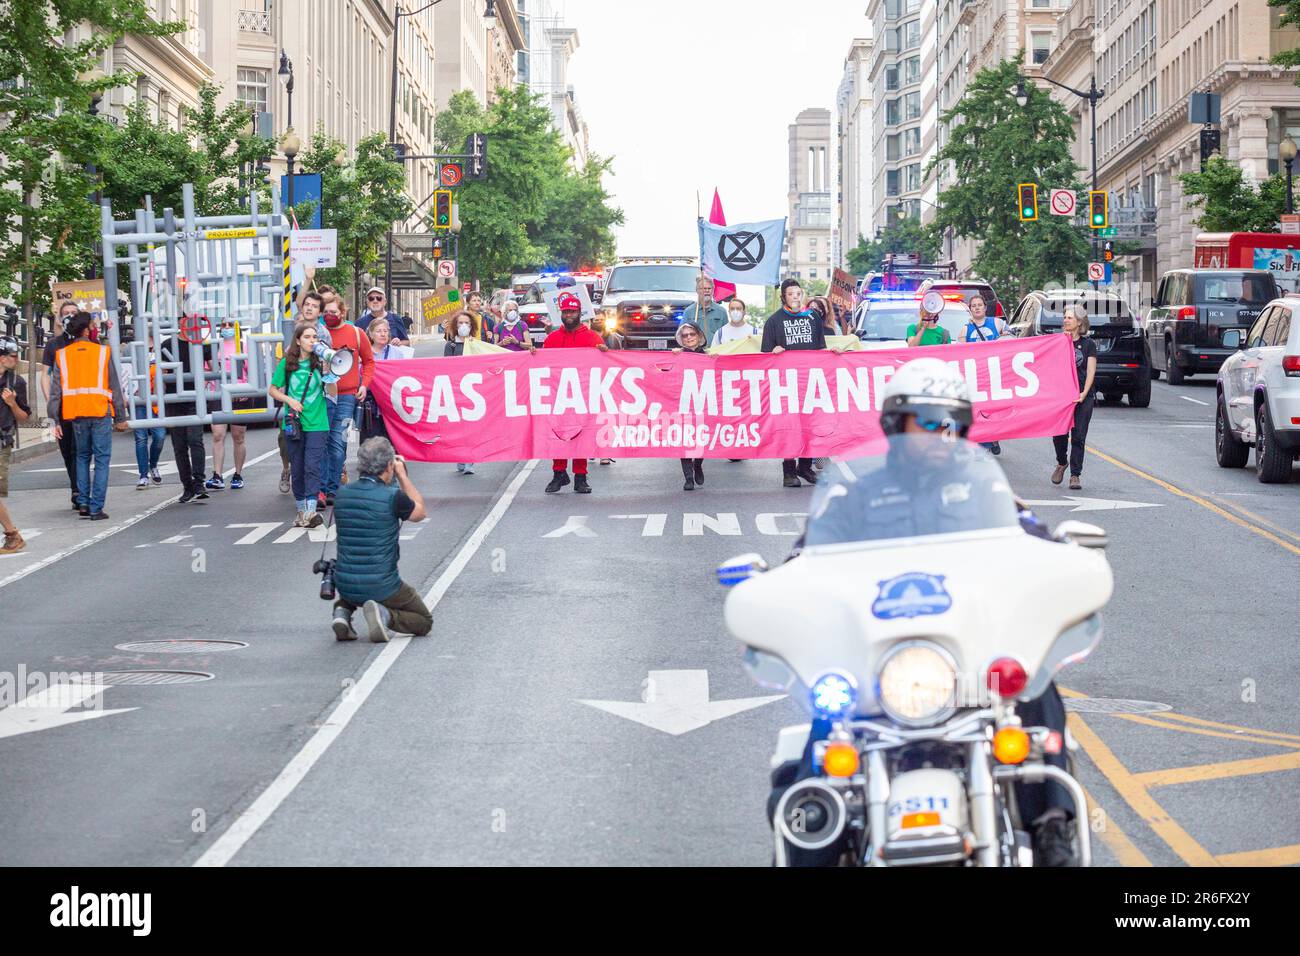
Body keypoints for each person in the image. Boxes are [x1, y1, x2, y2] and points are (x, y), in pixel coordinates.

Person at [775, 357, 1078, 867]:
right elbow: (803, 561)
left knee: (1033, 683)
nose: (941, 434)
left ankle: (1052, 828)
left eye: (952, 424)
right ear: (896, 424)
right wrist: (780, 585)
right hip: (875, 666)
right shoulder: (854, 495)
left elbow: (1035, 540)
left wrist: (1062, 560)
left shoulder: (989, 490)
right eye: (928, 422)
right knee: (816, 747)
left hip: (968, 662)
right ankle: (809, 842)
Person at [330, 437, 432, 642]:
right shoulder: (393, 497)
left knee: (356, 575)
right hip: (383, 586)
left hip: (345, 584)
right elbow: (419, 512)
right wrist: (402, 476)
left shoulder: (342, 494)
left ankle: (341, 612)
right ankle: (385, 615)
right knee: (424, 620)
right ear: (388, 465)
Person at [47, 311, 128, 520]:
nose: (94, 328)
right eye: (92, 325)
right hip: (99, 412)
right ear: (86, 329)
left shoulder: (63, 355)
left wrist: (54, 420)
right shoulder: (102, 352)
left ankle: (83, 501)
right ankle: (96, 507)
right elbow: (114, 386)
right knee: (101, 459)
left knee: (82, 457)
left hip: (76, 415)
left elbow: (55, 392)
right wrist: (120, 417)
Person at [761, 278, 824, 488]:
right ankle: (789, 471)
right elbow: (764, 356)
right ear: (783, 297)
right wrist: (773, 352)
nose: (795, 297)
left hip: (810, 382)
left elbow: (820, 349)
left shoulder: (813, 318)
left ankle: (805, 467)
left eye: (798, 293)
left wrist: (834, 357)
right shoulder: (774, 321)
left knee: (809, 426)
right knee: (789, 428)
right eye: (791, 294)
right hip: (786, 385)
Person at [543, 292, 609, 494]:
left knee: (582, 435)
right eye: (566, 311)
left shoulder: (592, 337)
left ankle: (581, 477)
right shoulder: (553, 338)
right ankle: (558, 473)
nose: (569, 315)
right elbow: (542, 364)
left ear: (580, 312)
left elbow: (605, 364)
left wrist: (604, 352)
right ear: (561, 314)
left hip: (583, 396)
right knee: (558, 433)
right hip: (558, 395)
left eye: (572, 311)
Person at [269, 321, 329, 528]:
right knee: (298, 467)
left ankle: (311, 512)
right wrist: (290, 401)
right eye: (307, 337)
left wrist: (330, 368)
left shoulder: (321, 362)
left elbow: (333, 391)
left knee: (313, 467)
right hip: (294, 422)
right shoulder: (287, 363)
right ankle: (301, 510)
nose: (312, 341)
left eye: (314, 337)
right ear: (298, 340)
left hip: (318, 423)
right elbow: (273, 389)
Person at [320, 298, 375, 507]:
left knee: (338, 443)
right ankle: (322, 489)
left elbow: (369, 361)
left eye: (333, 311)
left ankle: (333, 488)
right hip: (323, 395)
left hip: (347, 396)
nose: (329, 315)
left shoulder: (356, 334)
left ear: (343, 312)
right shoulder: (319, 334)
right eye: (326, 311)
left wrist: (364, 385)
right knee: (322, 441)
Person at [157, 333, 210, 505]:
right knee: (179, 445)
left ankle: (199, 482)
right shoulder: (167, 344)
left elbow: (212, 367)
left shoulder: (201, 343)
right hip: (174, 399)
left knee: (195, 440)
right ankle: (187, 485)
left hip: (195, 398)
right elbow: (162, 372)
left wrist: (206, 383)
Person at [41, 301, 82, 509]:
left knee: (79, 449)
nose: (70, 317)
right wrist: (51, 403)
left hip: (82, 405)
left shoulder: (85, 342)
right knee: (67, 450)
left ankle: (79, 490)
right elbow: (45, 375)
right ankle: (77, 486)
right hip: (61, 406)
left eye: (74, 313)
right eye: (66, 313)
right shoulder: (53, 345)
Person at [1052, 304, 1096, 491]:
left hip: (1082, 396)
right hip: (1061, 397)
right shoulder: (1056, 341)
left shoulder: (1088, 345)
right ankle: (1062, 462)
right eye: (1065, 317)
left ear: (1079, 322)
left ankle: (1075, 475)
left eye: (1069, 318)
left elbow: (1091, 371)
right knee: (1059, 435)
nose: (1065, 320)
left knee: (1078, 436)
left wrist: (1084, 393)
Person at [204, 319, 250, 490]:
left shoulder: (243, 346)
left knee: (238, 437)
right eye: (224, 325)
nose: (227, 328)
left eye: (231, 324)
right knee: (217, 434)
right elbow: (207, 371)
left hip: (240, 395)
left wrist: (247, 391)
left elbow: (252, 371)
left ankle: (237, 474)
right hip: (219, 393)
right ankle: (217, 475)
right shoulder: (214, 346)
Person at [1, 335, 31, 554]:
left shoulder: (16, 383)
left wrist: (11, 403)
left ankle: (13, 535)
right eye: (13, 356)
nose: (16, 359)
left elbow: (24, 418)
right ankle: (12, 535)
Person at [963, 294, 1002, 456]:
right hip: (975, 377)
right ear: (970, 309)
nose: (977, 307)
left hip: (995, 375)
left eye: (980, 305)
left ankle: (994, 436)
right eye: (974, 306)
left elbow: (1012, 340)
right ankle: (983, 443)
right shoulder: (965, 329)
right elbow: (959, 354)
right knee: (978, 410)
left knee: (993, 411)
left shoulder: (997, 323)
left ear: (985, 307)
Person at [442, 310, 480, 475]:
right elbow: (445, 368)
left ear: (471, 326)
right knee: (458, 428)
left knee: (471, 428)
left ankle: (470, 460)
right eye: (460, 323)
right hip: (455, 391)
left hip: (473, 394)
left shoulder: (476, 345)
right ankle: (460, 456)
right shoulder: (450, 346)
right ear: (455, 326)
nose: (463, 326)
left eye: (467, 323)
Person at [673, 320, 709, 490]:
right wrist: (672, 358)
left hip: (704, 404)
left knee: (702, 438)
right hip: (683, 404)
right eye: (684, 335)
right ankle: (688, 477)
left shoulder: (709, 355)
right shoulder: (677, 355)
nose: (688, 338)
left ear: (699, 336)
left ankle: (698, 464)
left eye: (692, 334)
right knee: (684, 439)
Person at [130, 337, 166, 490]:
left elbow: (164, 377)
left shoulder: (161, 353)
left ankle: (153, 465)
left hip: (156, 402)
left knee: (159, 436)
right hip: (139, 401)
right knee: (141, 438)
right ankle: (143, 475)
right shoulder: (132, 353)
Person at [682, 273, 729, 343]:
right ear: (697, 291)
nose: (707, 291)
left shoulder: (722, 312)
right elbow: (682, 334)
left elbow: (726, 334)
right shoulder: (689, 311)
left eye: (709, 288)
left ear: (713, 291)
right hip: (697, 352)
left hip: (715, 352)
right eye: (703, 288)